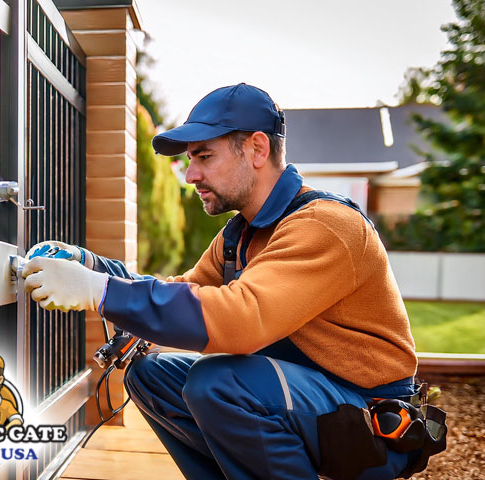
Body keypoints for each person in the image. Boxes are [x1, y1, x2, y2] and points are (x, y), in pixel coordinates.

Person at [22, 83, 423, 479]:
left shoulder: (324, 226)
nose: (191, 175)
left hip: (370, 425)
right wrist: (93, 268)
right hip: (314, 404)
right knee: (150, 376)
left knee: (217, 382)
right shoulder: (243, 234)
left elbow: (240, 321)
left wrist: (97, 292)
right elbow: (183, 294)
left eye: (204, 157)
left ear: (257, 149)